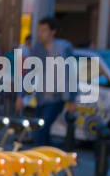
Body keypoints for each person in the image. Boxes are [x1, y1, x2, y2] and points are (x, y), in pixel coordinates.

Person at [15, 15, 76, 145]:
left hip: (56, 98)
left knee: (40, 133)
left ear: (52, 32)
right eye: (39, 30)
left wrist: (72, 100)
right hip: (41, 98)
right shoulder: (38, 49)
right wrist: (20, 96)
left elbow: (71, 74)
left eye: (44, 30)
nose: (40, 34)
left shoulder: (63, 48)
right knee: (43, 134)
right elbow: (29, 72)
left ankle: (48, 160)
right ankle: (59, 157)